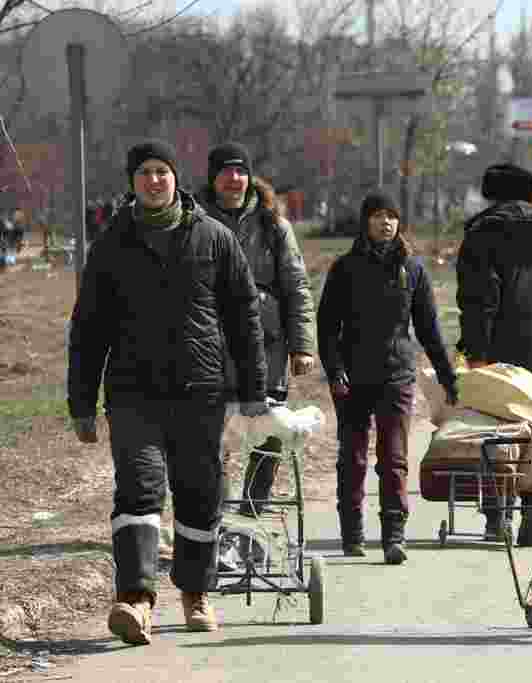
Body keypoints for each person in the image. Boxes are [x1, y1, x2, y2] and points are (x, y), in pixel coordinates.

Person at [67, 140, 268, 645]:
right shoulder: (113, 242)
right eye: (145, 173)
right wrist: (81, 402)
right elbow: (88, 328)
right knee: (139, 486)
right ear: (132, 182)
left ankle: (195, 592)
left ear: (176, 178)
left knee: (200, 492)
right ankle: (135, 599)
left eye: (162, 171)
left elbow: (245, 318)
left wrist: (253, 389)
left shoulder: (215, 238)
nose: (154, 180)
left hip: (200, 389)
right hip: (133, 390)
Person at [318, 190, 457, 564]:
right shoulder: (344, 269)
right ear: (366, 221)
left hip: (396, 375)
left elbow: (429, 328)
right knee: (353, 458)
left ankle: (394, 535)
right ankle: (352, 533)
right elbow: (327, 328)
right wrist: (334, 370)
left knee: (394, 458)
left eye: (392, 216)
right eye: (378, 216)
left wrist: (447, 375)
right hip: (352, 377)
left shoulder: (412, 269)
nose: (386, 222)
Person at [197, 142, 316, 523]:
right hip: (209, 351)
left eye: (241, 171)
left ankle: (250, 518)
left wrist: (302, 345)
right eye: (226, 171)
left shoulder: (273, 225)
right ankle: (216, 524)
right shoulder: (194, 223)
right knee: (214, 444)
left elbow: (297, 286)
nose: (234, 178)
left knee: (269, 437)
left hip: (269, 353)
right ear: (213, 178)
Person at [456, 163, 532, 547]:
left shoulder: (483, 236)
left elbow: (477, 301)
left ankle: (496, 515)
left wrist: (475, 351)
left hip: (498, 348)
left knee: (496, 428)